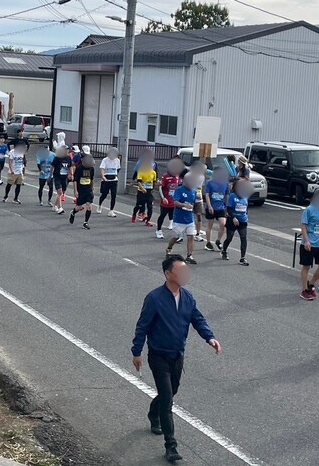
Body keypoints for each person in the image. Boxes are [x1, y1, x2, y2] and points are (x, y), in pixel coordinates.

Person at [132, 255, 222, 463]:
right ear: (167, 274)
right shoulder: (154, 298)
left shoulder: (188, 297)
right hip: (158, 356)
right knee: (168, 399)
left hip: (177, 356)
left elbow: (197, 319)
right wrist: (136, 352)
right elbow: (142, 326)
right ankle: (170, 446)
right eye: (180, 271)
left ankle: (153, 413)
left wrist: (210, 337)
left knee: (171, 393)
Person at [166, 172, 200, 265]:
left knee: (191, 236)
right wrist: (184, 205)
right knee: (176, 237)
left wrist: (195, 206)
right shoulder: (179, 190)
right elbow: (175, 203)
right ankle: (169, 248)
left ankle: (189, 256)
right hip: (179, 219)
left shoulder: (193, 191)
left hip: (189, 219)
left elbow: (194, 203)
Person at [221, 179, 252, 266]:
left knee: (243, 238)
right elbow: (229, 209)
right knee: (229, 238)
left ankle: (242, 257)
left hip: (242, 220)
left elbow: (246, 207)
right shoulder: (232, 196)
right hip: (232, 220)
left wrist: (246, 216)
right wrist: (234, 218)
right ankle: (224, 250)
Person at [203, 169, 229, 251]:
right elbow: (207, 195)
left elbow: (226, 195)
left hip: (220, 207)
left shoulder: (225, 183)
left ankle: (218, 240)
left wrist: (226, 206)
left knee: (223, 224)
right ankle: (208, 242)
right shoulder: (210, 182)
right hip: (211, 207)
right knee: (210, 224)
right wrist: (209, 206)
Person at [69, 153, 95, 229]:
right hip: (81, 190)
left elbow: (91, 178)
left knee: (89, 205)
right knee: (78, 207)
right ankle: (73, 213)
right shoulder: (79, 168)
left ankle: (85, 222)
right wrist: (75, 191)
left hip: (89, 190)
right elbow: (75, 180)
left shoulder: (91, 168)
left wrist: (92, 187)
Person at [156, 161, 181, 239]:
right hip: (166, 200)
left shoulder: (177, 176)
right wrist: (163, 198)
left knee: (173, 214)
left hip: (173, 200)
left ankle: (172, 226)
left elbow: (178, 187)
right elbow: (160, 187)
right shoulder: (165, 177)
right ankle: (158, 230)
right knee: (162, 215)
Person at [96, 147, 121, 217]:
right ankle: (99, 205)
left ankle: (111, 210)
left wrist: (115, 175)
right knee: (104, 194)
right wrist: (103, 176)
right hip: (106, 180)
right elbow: (102, 169)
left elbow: (118, 169)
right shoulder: (105, 160)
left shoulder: (117, 160)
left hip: (114, 180)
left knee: (114, 195)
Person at [133, 158, 157, 226]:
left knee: (150, 207)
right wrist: (142, 188)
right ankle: (134, 214)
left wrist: (153, 189)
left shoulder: (153, 173)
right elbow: (139, 182)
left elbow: (154, 182)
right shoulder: (141, 171)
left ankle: (148, 220)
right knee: (138, 206)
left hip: (149, 193)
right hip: (141, 192)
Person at [51, 145, 72, 215]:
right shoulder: (57, 158)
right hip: (57, 176)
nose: (67, 151)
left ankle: (55, 206)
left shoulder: (68, 158)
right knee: (59, 192)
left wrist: (71, 174)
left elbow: (70, 167)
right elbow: (52, 166)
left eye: (68, 150)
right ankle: (60, 207)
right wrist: (50, 175)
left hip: (64, 177)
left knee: (61, 192)